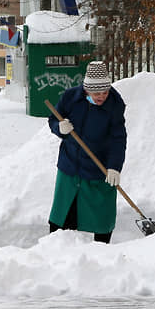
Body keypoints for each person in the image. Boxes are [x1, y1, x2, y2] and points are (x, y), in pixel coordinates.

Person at [47, 61, 127, 243]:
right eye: (97, 93)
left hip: (98, 169)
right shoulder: (70, 98)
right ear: (86, 90)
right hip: (70, 167)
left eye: (105, 92)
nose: (102, 97)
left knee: (102, 220)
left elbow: (118, 139)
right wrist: (59, 127)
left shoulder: (115, 105)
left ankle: (102, 256)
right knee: (61, 219)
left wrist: (114, 167)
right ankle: (54, 253)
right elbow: (53, 118)